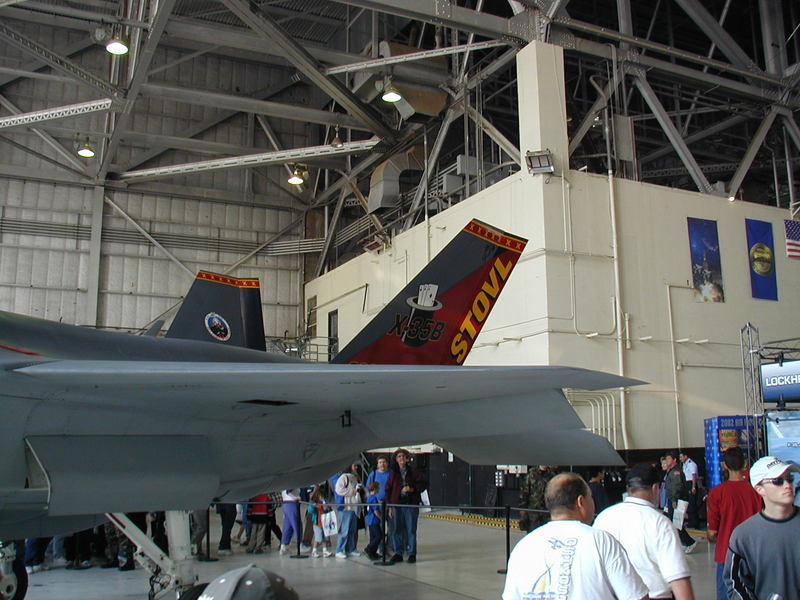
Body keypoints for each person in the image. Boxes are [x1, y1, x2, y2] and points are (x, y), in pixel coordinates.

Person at [503, 472, 648, 600]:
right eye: (590, 497)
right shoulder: (601, 541)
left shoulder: (523, 547)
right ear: (581, 502)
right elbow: (635, 596)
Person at [594, 463, 695, 600]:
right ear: (655, 488)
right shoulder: (660, 522)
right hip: (656, 596)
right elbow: (678, 577)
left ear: (628, 489)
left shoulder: (603, 518)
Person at [724, 455, 800, 600]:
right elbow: (736, 584)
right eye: (777, 481)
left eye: (789, 479)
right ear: (760, 489)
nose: (787, 485)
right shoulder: (743, 535)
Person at [706, 447, 762, 600]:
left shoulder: (716, 493)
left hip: (726, 553)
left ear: (725, 465)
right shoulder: (756, 491)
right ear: (745, 464)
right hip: (753, 553)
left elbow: (712, 532)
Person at [385, 448, 427, 564]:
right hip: (397, 505)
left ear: (407, 459)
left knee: (411, 529)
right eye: (399, 457)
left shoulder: (413, 472)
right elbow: (388, 489)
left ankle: (412, 553)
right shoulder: (393, 473)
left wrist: (412, 489)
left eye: (403, 456)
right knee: (396, 529)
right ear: (396, 459)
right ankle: (398, 553)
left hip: (411, 504)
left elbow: (423, 484)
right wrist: (390, 506)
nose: (401, 458)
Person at [664, 450, 696, 552]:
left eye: (669, 459)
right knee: (675, 523)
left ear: (674, 460)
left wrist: (674, 500)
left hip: (676, 500)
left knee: (676, 523)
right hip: (672, 499)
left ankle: (689, 542)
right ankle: (684, 542)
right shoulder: (671, 471)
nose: (667, 461)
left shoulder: (676, 472)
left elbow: (677, 487)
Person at [334, 463, 362, 558]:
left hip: (354, 507)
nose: (356, 467)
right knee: (344, 530)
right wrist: (353, 491)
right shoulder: (344, 477)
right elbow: (338, 490)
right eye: (354, 465)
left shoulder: (354, 477)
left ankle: (350, 548)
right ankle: (339, 549)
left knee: (352, 530)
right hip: (346, 507)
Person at [518, 465, 553, 532]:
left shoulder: (551, 475)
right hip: (533, 511)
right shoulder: (531, 474)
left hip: (546, 511)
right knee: (533, 532)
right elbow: (524, 492)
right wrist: (522, 508)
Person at [306, 488, 332, 558]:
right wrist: (313, 506)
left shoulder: (324, 502)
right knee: (318, 538)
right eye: (321, 496)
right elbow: (310, 510)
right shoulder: (314, 503)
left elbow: (327, 509)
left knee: (324, 537)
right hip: (317, 523)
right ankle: (314, 551)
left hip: (324, 522)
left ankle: (325, 550)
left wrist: (326, 507)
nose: (322, 497)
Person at [680, 451, 701, 528]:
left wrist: (693, 487)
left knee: (692, 504)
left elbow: (693, 475)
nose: (680, 459)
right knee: (688, 505)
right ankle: (690, 521)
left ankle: (695, 523)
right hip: (686, 484)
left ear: (685, 456)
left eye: (681, 457)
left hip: (691, 483)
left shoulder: (691, 464)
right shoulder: (684, 464)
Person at [279, 489, 304, 554]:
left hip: (286, 504)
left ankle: (284, 546)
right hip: (291, 503)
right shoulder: (292, 483)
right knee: (297, 525)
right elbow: (288, 491)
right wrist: (295, 497)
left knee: (287, 526)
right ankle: (300, 545)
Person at [363, 481, 383, 560]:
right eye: (378, 488)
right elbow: (376, 511)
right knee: (378, 536)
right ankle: (369, 548)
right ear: (375, 489)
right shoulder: (374, 498)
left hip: (370, 520)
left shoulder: (369, 497)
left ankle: (373, 553)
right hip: (374, 521)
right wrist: (381, 517)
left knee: (373, 537)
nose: (379, 489)